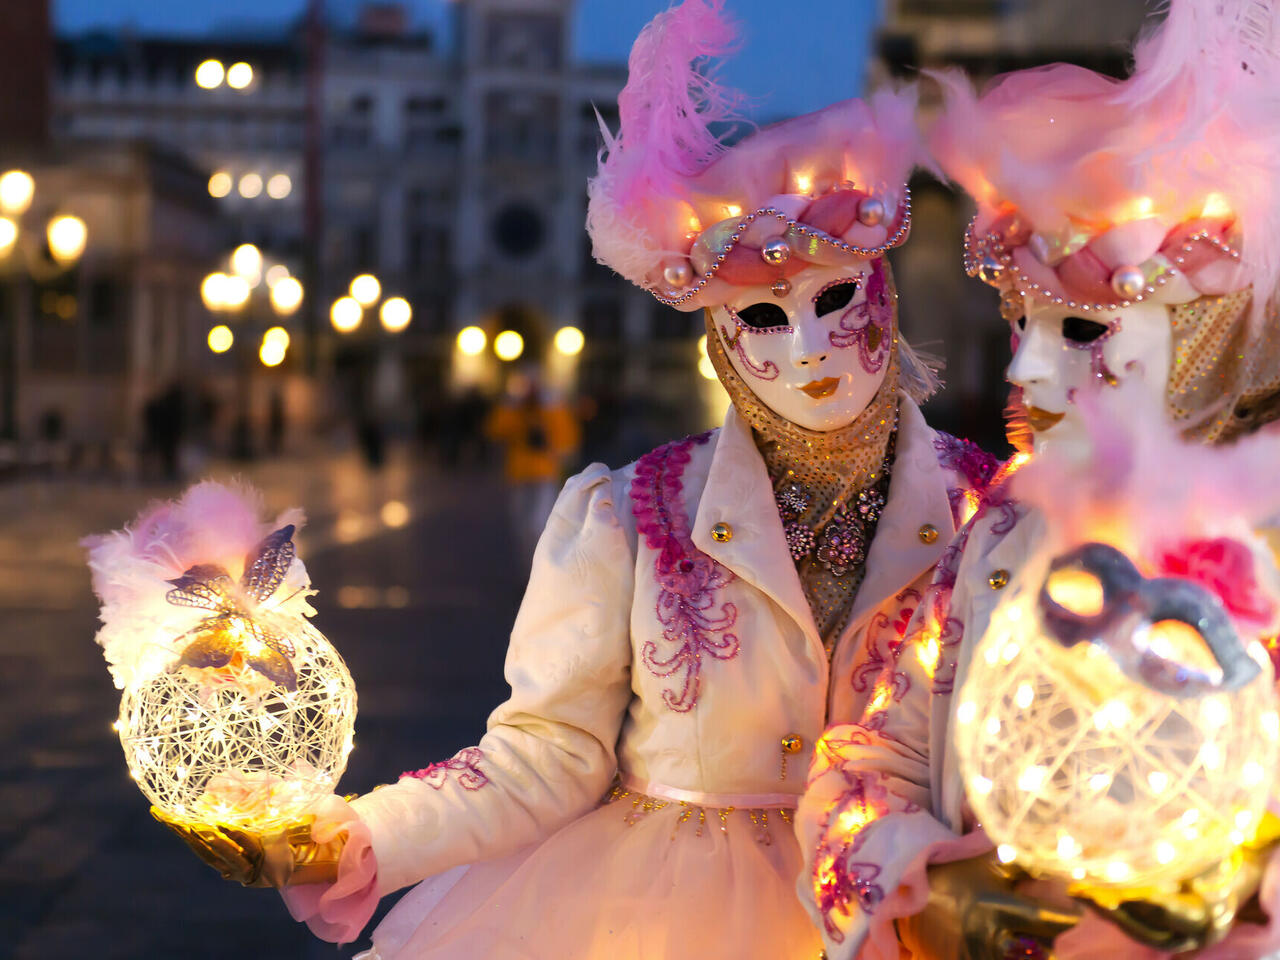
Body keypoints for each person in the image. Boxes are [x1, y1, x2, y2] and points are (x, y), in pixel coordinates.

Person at [156, 3, 993, 956]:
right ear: (721, 339)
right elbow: (545, 755)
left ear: (885, 290)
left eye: (834, 297)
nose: (806, 346)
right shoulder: (632, 516)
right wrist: (353, 836)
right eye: (763, 315)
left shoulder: (993, 515)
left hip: (911, 916)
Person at [798, 3, 1280, 957]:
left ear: (1209, 345)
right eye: (1023, 323)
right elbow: (874, 757)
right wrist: (924, 887)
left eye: (1084, 330)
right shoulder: (1003, 532)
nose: (1026, 371)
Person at [484, 369, 582, 562]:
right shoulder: (516, 410)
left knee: (539, 524)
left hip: (545, 473)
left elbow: (567, 441)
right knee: (521, 526)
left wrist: (552, 408)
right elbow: (494, 431)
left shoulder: (552, 409)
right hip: (520, 473)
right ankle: (529, 567)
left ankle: (541, 564)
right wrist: (510, 404)